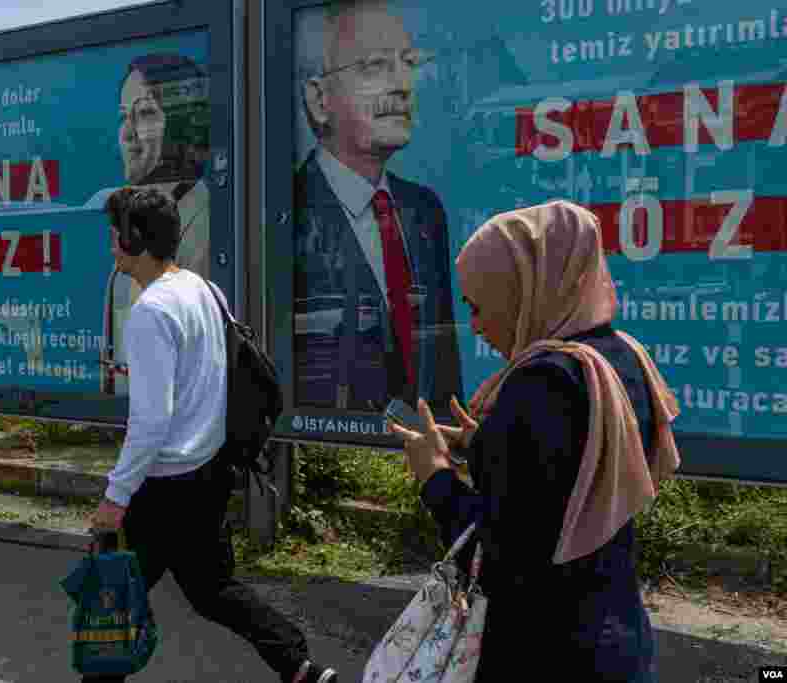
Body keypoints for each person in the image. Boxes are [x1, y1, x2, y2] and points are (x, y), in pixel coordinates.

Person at [389, 200, 681, 682]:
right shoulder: (622, 357)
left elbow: (501, 559)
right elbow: (570, 485)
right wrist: (487, 447)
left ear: (524, 290)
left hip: (545, 652)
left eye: (481, 306)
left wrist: (435, 476)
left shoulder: (541, 384)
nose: (478, 326)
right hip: (621, 636)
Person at [87, 187, 337, 683]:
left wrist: (116, 496)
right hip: (209, 470)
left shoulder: (151, 311)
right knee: (210, 588)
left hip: (165, 484)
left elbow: (152, 421)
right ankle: (299, 665)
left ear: (132, 239)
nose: (111, 242)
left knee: (111, 593)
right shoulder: (203, 289)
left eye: (115, 232)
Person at [294, 0, 462, 411]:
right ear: (320, 99)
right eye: (374, 66)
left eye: (407, 63)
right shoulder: (289, 210)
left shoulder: (423, 211)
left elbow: (441, 358)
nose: (402, 85)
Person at [88, 53, 211, 394]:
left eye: (144, 113)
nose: (128, 135)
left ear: (185, 122)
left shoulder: (205, 227)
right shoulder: (143, 224)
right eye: (122, 117)